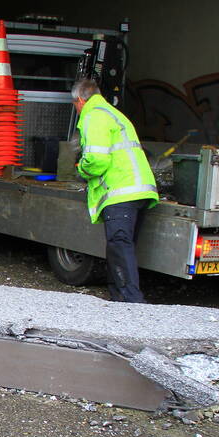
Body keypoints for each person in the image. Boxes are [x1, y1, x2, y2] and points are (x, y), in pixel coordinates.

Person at [71, 79, 158, 303]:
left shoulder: (93, 116)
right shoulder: (114, 113)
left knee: (119, 244)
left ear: (80, 100)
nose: (76, 109)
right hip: (139, 189)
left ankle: (132, 301)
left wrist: (81, 169)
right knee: (121, 245)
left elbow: (96, 159)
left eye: (75, 104)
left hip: (121, 190)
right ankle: (118, 295)